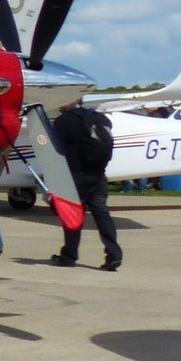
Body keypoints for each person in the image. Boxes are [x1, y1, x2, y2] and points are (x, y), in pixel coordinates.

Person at [52, 97, 122, 271]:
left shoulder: (63, 121)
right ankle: (114, 254)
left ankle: (69, 255)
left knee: (73, 215)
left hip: (76, 175)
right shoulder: (100, 118)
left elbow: (57, 150)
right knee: (102, 214)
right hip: (98, 174)